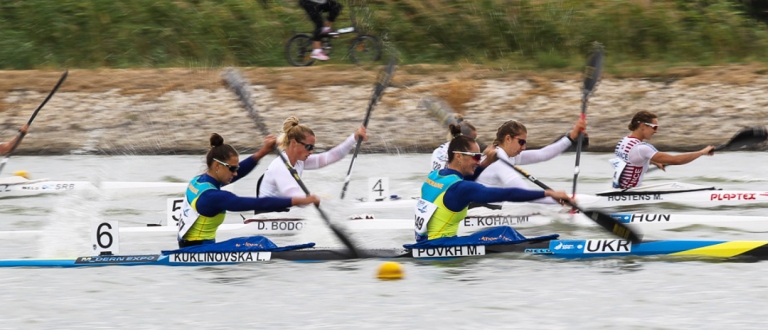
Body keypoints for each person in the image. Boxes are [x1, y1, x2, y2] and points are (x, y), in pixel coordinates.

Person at [415, 124, 572, 242]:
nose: (478, 161)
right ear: (458, 156)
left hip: (424, 243)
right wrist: (548, 193)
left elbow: (463, 182)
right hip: (441, 247)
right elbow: (508, 193)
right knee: (504, 232)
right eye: (476, 157)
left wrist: (486, 163)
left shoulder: (435, 176)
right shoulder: (462, 188)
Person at [177, 133, 319, 248]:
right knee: (259, 242)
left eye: (236, 168)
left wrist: (263, 152)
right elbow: (257, 204)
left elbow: (240, 170)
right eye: (232, 169)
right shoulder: (212, 197)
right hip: (199, 250)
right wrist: (297, 201)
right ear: (217, 166)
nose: (235, 173)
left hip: (190, 247)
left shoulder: (199, 181)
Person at [475, 118, 587, 204]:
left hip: (490, 206)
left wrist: (571, 137)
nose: (523, 147)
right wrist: (559, 200)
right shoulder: (499, 160)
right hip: (481, 210)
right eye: (521, 142)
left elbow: (542, 154)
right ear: (508, 139)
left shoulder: (507, 155)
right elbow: (523, 193)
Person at [259, 116, 366, 198]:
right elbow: (293, 195)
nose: (311, 151)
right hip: (267, 217)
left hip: (283, 214)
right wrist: (317, 197)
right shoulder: (281, 166)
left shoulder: (299, 161)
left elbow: (330, 157)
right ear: (294, 143)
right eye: (308, 147)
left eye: (313, 147)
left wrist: (353, 138)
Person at [611, 110, 714, 189]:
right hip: (630, 193)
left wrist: (654, 161)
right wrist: (702, 152)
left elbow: (631, 159)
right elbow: (676, 160)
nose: (656, 131)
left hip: (619, 189)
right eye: (654, 127)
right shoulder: (642, 147)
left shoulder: (623, 141)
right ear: (643, 126)